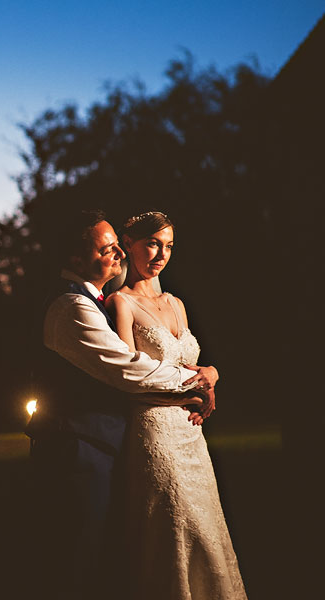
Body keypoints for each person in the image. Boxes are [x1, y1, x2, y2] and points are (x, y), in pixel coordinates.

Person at [25, 209, 217, 600]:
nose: (117, 256)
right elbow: (129, 370)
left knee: (103, 560)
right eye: (106, 249)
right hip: (77, 450)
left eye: (116, 246)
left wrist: (210, 374)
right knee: (75, 563)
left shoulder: (94, 301)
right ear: (76, 259)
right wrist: (197, 382)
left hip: (109, 445)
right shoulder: (72, 307)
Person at [105, 211, 246, 599]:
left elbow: (192, 362)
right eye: (151, 243)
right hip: (156, 432)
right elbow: (127, 382)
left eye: (168, 245)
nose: (160, 253)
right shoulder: (121, 303)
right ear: (128, 244)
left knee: (206, 526)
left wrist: (212, 373)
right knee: (176, 527)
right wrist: (191, 393)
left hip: (192, 435)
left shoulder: (176, 303)